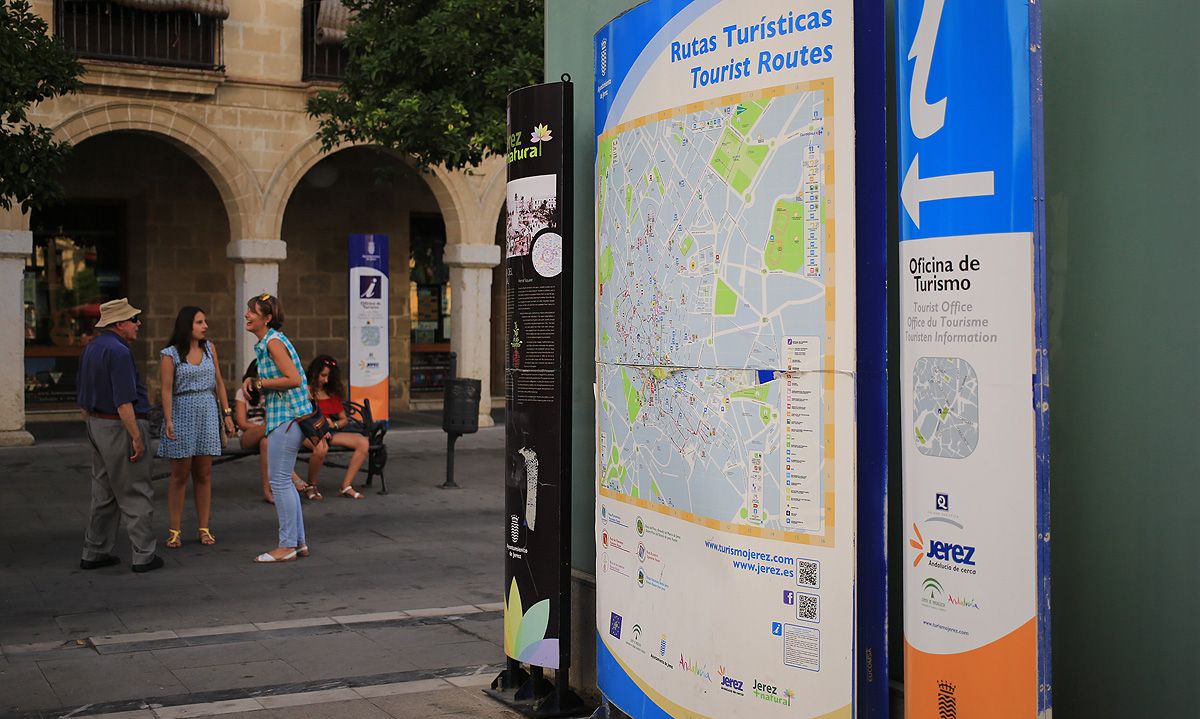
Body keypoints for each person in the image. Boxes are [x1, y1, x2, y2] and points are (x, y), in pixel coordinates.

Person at [76, 298, 163, 573]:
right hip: (119, 425)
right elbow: (124, 402)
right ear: (120, 324)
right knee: (135, 490)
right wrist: (136, 436)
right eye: (134, 319)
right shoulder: (119, 351)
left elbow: (83, 398)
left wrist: (93, 426)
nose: (139, 324)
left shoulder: (91, 347)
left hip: (97, 424)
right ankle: (143, 554)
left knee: (103, 492)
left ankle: (95, 551)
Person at [242, 294, 313, 563]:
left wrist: (260, 384)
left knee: (279, 482)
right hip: (290, 419)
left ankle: (287, 546)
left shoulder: (272, 342)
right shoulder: (271, 341)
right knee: (284, 482)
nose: (247, 315)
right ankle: (299, 543)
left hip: (286, 418)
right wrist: (253, 380)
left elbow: (293, 378)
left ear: (267, 318)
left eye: (252, 311)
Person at [157, 306, 235, 548]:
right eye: (200, 322)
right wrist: (168, 419)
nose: (205, 326)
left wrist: (227, 413)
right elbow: (166, 389)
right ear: (187, 325)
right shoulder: (170, 354)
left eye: (204, 321)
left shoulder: (209, 348)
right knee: (179, 476)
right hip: (182, 412)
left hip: (208, 412)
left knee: (204, 474)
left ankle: (204, 528)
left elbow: (219, 382)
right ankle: (174, 530)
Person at [235, 360, 309, 504]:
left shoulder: (271, 392)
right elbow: (242, 424)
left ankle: (268, 491)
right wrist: (264, 428)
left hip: (269, 435)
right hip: (249, 435)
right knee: (276, 428)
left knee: (266, 443)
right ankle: (292, 475)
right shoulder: (242, 392)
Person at [302, 355, 367, 500]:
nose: (326, 380)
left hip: (329, 432)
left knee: (363, 442)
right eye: (323, 375)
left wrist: (334, 424)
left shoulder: (330, 393)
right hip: (308, 431)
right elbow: (303, 416)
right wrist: (321, 426)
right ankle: (311, 486)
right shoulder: (306, 390)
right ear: (314, 373)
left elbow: (344, 419)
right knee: (321, 448)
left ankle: (346, 486)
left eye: (328, 377)